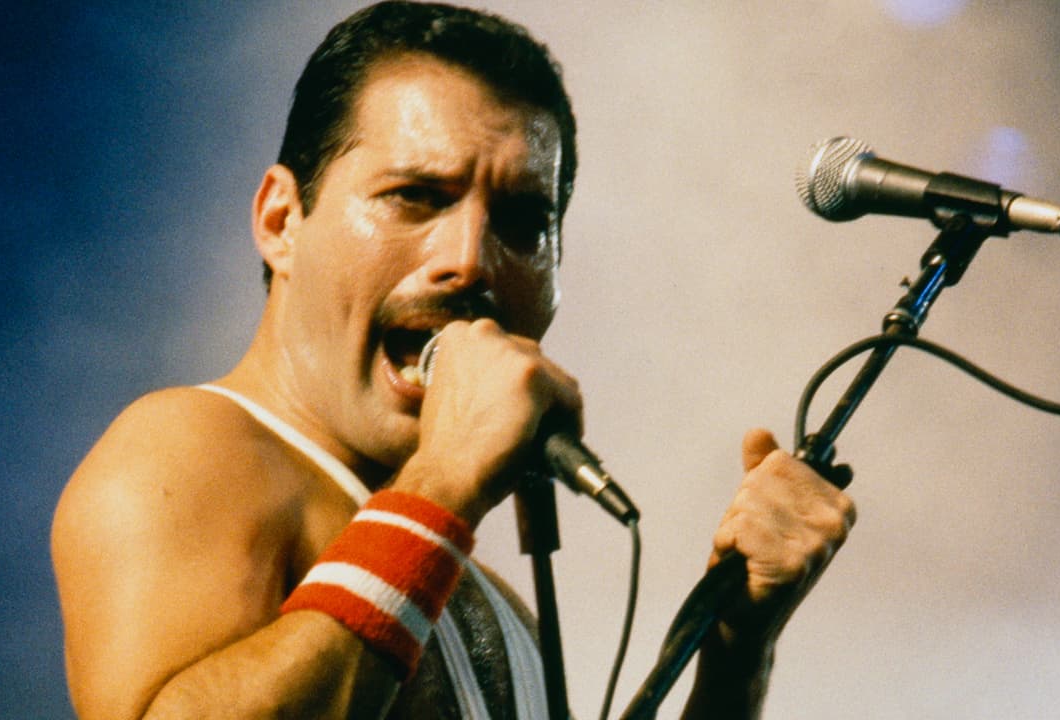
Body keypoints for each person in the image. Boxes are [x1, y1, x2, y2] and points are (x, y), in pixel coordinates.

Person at [51, 2, 857, 719]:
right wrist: (447, 481)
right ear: (280, 220)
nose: (470, 260)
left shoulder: (466, 585)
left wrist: (735, 653)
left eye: (522, 222)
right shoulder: (188, 448)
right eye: (416, 196)